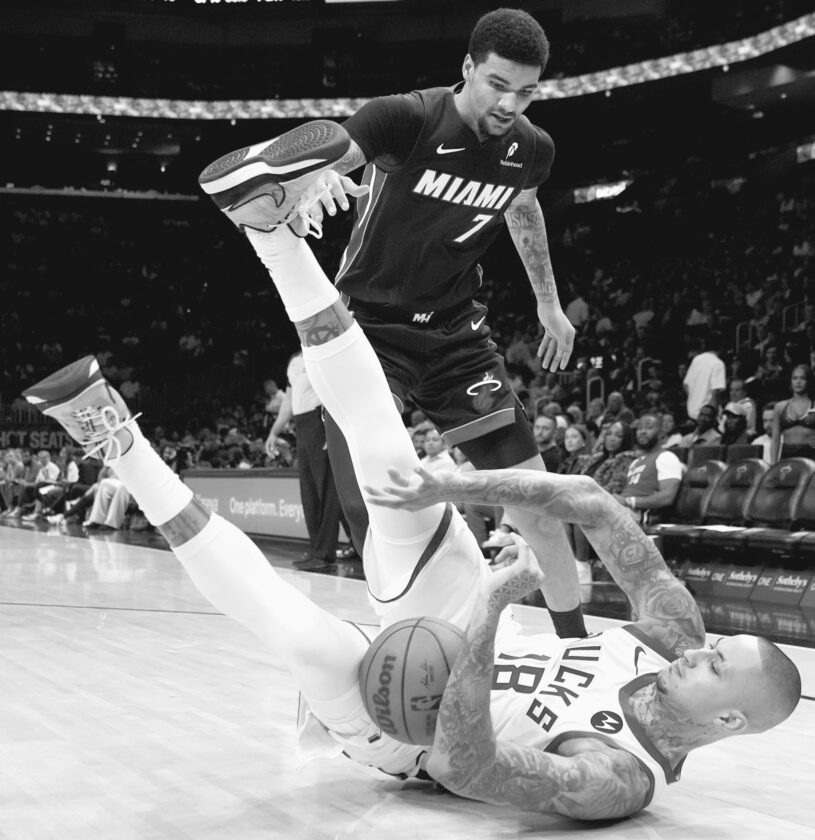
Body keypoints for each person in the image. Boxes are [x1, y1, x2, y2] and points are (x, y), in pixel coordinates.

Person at [24, 227, 800, 820]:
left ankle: (116, 441)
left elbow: (467, 768)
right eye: (712, 646)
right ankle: (273, 231)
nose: (696, 651)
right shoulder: (674, 634)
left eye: (713, 664)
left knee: (298, 634)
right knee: (398, 475)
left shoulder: (617, 777)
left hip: (406, 725)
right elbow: (593, 503)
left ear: (728, 717)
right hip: (459, 626)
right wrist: (455, 482)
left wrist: (491, 610)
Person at [199, 7, 588, 640]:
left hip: (458, 336)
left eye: (525, 92)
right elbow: (342, 152)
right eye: (497, 84)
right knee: (376, 509)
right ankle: (404, 641)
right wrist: (316, 180)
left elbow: (524, 208)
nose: (509, 103)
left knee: (537, 501)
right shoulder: (407, 117)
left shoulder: (532, 147)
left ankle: (575, 645)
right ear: (467, 67)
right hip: (370, 333)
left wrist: (548, 303)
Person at [266, 351, 346, 572]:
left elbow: (336, 391)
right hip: (302, 426)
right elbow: (289, 401)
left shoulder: (321, 354)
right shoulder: (294, 361)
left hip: (320, 421)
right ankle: (317, 550)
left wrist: (333, 431)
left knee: (327, 491)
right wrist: (274, 432)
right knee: (309, 492)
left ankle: (325, 553)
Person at [616, 412, 684, 525]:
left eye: (649, 428)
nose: (642, 432)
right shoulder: (636, 462)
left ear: (661, 434)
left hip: (641, 514)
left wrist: (629, 501)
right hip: (623, 509)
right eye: (640, 428)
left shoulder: (666, 457)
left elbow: (667, 497)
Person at [770, 364, 815, 463]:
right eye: (795, 378)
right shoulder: (780, 407)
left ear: (809, 381)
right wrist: (773, 463)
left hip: (811, 455)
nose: (798, 382)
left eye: (802, 378)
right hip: (787, 455)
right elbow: (775, 439)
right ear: (791, 381)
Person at [683, 333, 726, 422]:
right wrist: (711, 415)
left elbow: (686, 385)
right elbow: (715, 393)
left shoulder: (696, 359)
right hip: (706, 417)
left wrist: (695, 398)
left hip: (692, 412)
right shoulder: (718, 363)